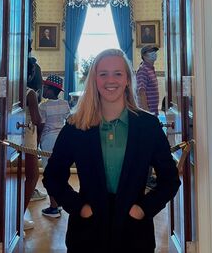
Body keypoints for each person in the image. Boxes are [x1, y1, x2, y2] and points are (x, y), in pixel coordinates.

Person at [43, 48, 180, 253]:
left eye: (118, 73)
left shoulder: (148, 126)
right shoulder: (76, 126)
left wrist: (143, 209)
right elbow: (53, 176)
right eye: (103, 74)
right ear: (94, 80)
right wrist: (79, 207)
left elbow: (170, 179)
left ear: (127, 79)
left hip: (134, 234)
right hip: (87, 234)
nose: (110, 80)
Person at [37, 74, 71, 218]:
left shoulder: (43, 106)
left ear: (51, 90)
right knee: (60, 172)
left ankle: (53, 207)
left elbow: (41, 126)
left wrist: (37, 143)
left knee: (49, 174)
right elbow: (69, 121)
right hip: (62, 140)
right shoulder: (64, 104)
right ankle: (60, 201)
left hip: (48, 140)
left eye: (45, 87)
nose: (43, 89)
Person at [23, 57, 44, 230]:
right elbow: (36, 119)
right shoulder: (30, 93)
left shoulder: (14, 89)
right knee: (33, 175)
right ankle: (19, 214)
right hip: (28, 135)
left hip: (15, 133)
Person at [136, 45, 160, 116]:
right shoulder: (143, 70)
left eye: (154, 51)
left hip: (153, 110)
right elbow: (141, 92)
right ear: (144, 55)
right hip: (148, 112)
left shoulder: (150, 68)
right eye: (150, 51)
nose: (154, 53)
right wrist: (147, 112)